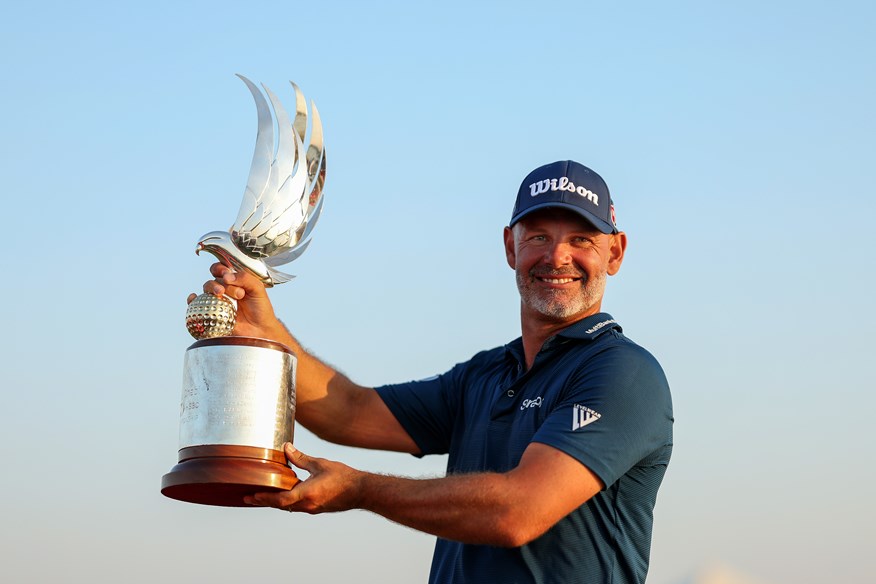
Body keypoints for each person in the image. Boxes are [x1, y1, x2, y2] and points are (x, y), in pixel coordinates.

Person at [192, 160, 673, 584]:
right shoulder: (485, 375)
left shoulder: (623, 373)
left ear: (615, 253)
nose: (556, 257)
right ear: (511, 247)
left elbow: (518, 511)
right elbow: (349, 411)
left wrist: (362, 489)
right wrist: (269, 330)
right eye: (539, 237)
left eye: (581, 239)